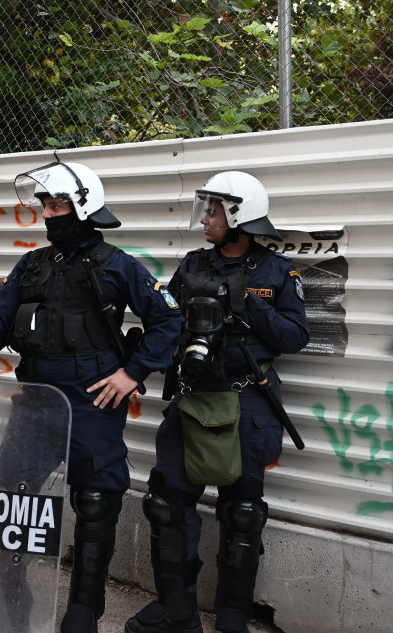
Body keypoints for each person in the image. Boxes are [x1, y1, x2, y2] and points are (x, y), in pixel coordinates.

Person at [0, 161, 182, 633]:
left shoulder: (116, 264)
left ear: (83, 208)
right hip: (35, 399)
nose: (49, 213)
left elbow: (168, 321)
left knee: (97, 502)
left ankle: (83, 613)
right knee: (9, 499)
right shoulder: (32, 264)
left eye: (59, 204)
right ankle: (10, 606)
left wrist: (132, 373)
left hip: (92, 400)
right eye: (46, 204)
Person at [126, 171, 308, 633]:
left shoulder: (276, 271)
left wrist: (249, 305)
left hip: (247, 401)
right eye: (205, 208)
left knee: (243, 511)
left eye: (214, 210)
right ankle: (178, 612)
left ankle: (232, 619)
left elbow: (295, 337)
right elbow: (166, 321)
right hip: (192, 397)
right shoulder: (191, 265)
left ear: (240, 215)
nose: (205, 218)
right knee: (165, 504)